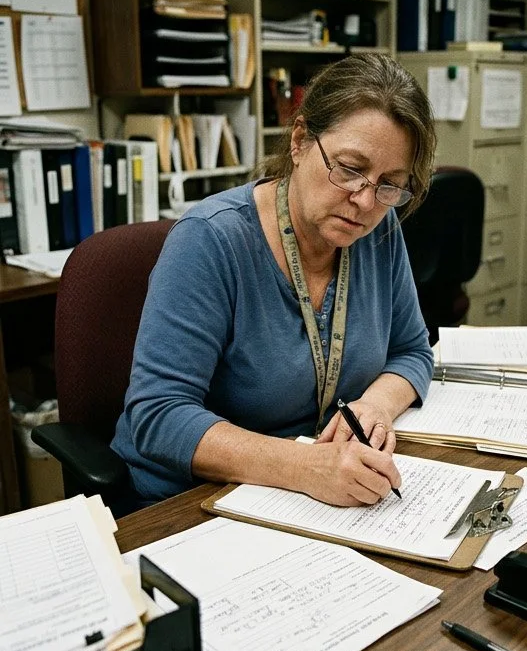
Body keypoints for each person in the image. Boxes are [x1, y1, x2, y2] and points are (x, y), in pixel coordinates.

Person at [112, 54, 436, 508]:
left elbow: (412, 351)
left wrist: (376, 406)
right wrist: (305, 467)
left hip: (314, 493)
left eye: (390, 185)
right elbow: (157, 417)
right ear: (301, 140)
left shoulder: (379, 230)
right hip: (196, 501)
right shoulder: (211, 241)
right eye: (348, 168)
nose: (364, 201)